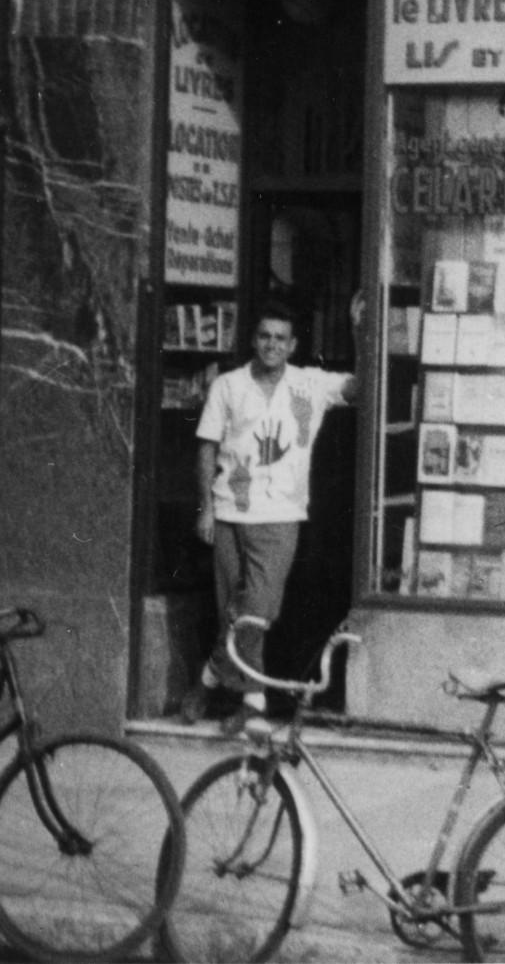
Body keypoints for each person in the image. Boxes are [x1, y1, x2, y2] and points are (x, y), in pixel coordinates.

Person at [182, 295, 363, 733]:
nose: (271, 345)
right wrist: (206, 509)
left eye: (280, 338)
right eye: (264, 336)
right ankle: (251, 702)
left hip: (280, 516)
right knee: (233, 611)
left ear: (294, 344)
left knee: (257, 612)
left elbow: (361, 387)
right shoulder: (227, 385)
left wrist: (360, 335)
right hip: (229, 513)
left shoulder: (309, 384)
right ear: (253, 339)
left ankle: (210, 682)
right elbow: (206, 447)